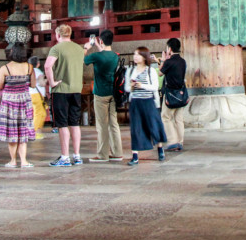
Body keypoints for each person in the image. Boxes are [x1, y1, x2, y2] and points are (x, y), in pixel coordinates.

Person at [45, 24, 85, 167]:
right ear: (70, 34)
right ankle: (77, 156)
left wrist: (51, 82)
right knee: (74, 123)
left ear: (58, 35)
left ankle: (65, 157)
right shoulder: (79, 49)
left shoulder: (56, 48)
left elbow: (48, 66)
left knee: (62, 125)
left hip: (61, 89)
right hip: (76, 89)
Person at [0, 42, 36, 167]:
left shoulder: (4, 68)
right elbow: (33, 85)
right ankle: (24, 161)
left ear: (12, 52)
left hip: (9, 103)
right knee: (22, 132)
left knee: (12, 132)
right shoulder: (29, 67)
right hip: (24, 101)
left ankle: (13, 161)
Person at [85, 30, 123, 162]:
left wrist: (87, 48)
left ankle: (102, 155)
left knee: (102, 125)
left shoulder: (96, 56)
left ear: (101, 41)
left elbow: (84, 60)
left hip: (100, 93)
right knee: (113, 124)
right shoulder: (115, 56)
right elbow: (105, 53)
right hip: (112, 93)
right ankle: (117, 152)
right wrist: (99, 45)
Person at [125, 46, 167, 165]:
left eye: (138, 54)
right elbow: (127, 88)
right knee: (136, 128)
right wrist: (132, 87)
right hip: (135, 103)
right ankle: (135, 155)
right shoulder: (130, 70)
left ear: (144, 57)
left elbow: (155, 87)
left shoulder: (150, 70)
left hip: (148, 102)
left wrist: (142, 85)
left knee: (154, 126)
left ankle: (160, 149)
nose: (135, 57)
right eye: (134, 54)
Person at [158, 38, 187, 152]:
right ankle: (180, 142)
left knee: (166, 117)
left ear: (169, 49)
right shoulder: (182, 61)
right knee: (179, 119)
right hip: (181, 94)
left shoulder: (169, 62)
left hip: (170, 94)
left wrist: (164, 60)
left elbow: (160, 73)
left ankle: (172, 141)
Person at [29, 56, 48, 140]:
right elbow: (41, 83)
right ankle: (35, 132)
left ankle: (37, 131)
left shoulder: (29, 71)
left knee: (42, 113)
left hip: (31, 94)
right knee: (39, 113)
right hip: (37, 94)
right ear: (38, 63)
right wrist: (47, 79)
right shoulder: (37, 71)